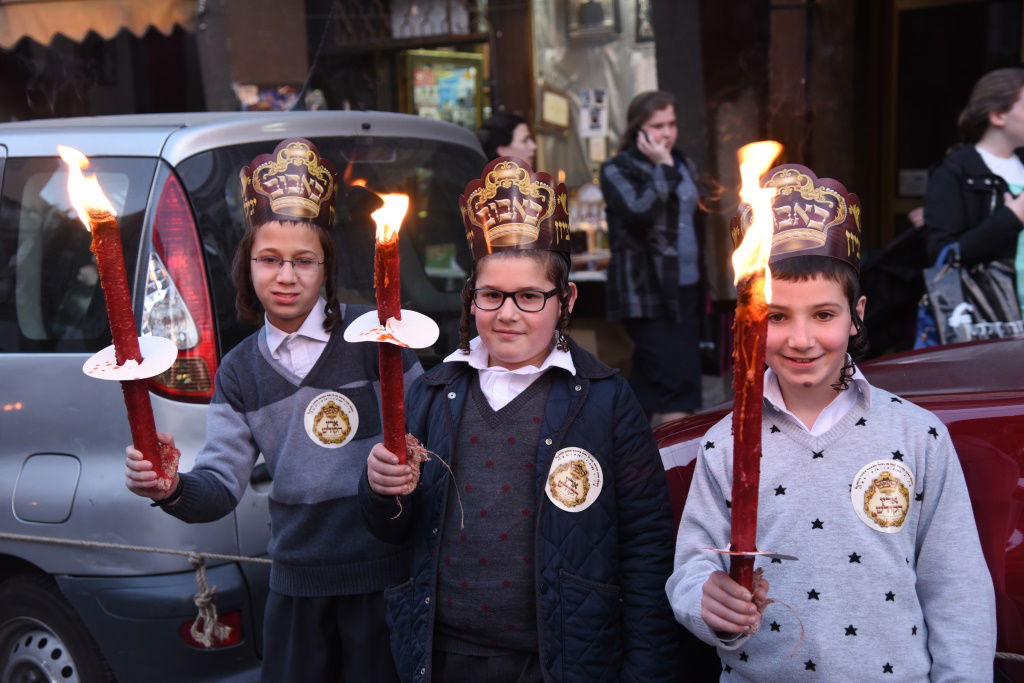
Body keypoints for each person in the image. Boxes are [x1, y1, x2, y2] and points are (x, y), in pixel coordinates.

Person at [667, 164, 996, 680]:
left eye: (823, 314)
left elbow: (956, 586)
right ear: (748, 321)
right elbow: (691, 568)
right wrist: (709, 603)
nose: (801, 339)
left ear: (856, 313)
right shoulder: (724, 446)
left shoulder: (918, 436)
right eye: (776, 316)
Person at [359, 157, 677, 682]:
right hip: (445, 656)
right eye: (491, 295)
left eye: (530, 296)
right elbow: (393, 531)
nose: (507, 313)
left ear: (565, 299)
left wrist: (645, 672)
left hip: (560, 659)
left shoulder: (605, 400)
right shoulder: (433, 392)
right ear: (472, 298)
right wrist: (380, 490)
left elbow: (646, 547)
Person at [124, 138, 422, 682]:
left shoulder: (376, 338)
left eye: (304, 261)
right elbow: (219, 483)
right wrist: (170, 489)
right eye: (270, 260)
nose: (286, 276)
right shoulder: (239, 372)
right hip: (297, 587)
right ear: (248, 264)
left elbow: (425, 436)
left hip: (383, 581)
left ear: (326, 267)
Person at [600, 89, 705, 427]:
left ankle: (634, 451)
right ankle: (675, 459)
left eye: (671, 124)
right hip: (645, 288)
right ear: (638, 129)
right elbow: (637, 211)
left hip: (685, 285)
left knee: (662, 379)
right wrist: (661, 169)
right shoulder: (618, 168)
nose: (667, 133)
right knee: (675, 383)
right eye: (657, 125)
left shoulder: (684, 161)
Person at [925, 67, 1024, 267]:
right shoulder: (954, 172)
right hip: (992, 296)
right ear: (998, 116)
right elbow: (943, 256)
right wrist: (1011, 217)